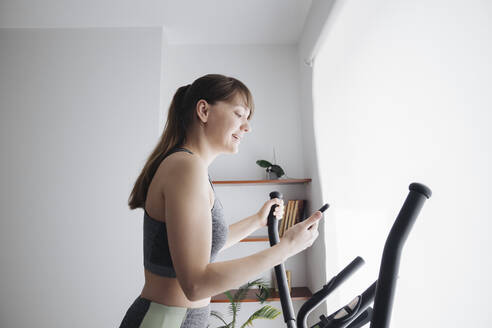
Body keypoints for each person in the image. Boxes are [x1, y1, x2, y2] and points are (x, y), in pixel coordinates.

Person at [119, 74, 323, 328]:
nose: (247, 127)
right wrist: (287, 248)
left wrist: (256, 221)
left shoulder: (191, 167)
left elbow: (199, 248)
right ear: (203, 110)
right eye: (239, 114)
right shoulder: (186, 167)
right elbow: (196, 284)